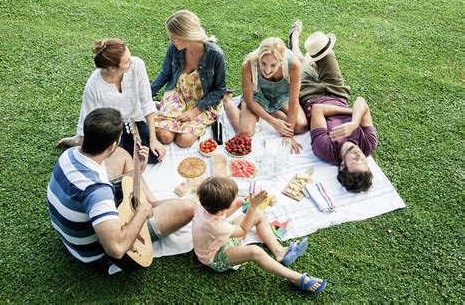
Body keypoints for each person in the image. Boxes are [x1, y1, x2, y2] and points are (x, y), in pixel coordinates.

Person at [48, 108, 195, 272]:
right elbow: (116, 249)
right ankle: (151, 204)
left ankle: (151, 202)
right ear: (112, 145)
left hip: (74, 237)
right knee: (187, 208)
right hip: (98, 254)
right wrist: (142, 212)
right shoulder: (98, 192)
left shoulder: (69, 155)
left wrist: (137, 171)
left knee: (123, 155)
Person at [192, 177, 326, 294]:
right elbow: (243, 230)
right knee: (255, 252)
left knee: (257, 216)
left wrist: (238, 205)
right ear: (221, 209)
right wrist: (252, 207)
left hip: (218, 240)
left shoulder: (203, 205)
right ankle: (296, 278)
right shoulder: (216, 227)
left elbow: (221, 215)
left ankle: (280, 252)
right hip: (215, 257)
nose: (234, 201)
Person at [288, 21, 378, 192]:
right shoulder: (368, 145)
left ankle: (294, 40)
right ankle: (313, 61)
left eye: (355, 161)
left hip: (310, 95)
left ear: (343, 166)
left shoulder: (325, 150)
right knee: (323, 48)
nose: (360, 155)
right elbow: (361, 101)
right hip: (337, 92)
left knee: (298, 61)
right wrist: (354, 121)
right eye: (364, 161)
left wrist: (354, 114)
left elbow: (318, 110)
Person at [56, 38, 166, 163]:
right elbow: (89, 120)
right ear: (113, 68)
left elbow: (146, 102)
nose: (131, 62)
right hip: (112, 127)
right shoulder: (93, 85)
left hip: (135, 119)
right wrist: (85, 139)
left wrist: (153, 140)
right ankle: (76, 140)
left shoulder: (137, 65)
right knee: (116, 163)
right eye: (127, 62)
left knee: (152, 157)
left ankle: (131, 144)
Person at [151, 10, 226, 148]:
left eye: (174, 37)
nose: (171, 41)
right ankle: (161, 105)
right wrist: (147, 94)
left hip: (201, 101)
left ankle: (160, 107)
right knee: (165, 136)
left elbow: (220, 89)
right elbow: (165, 74)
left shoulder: (215, 55)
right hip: (177, 94)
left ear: (187, 35)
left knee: (183, 140)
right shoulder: (174, 49)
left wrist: (195, 111)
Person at [223, 37, 308, 153]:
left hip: (281, 96)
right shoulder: (248, 64)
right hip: (257, 96)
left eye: (273, 65)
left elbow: (293, 101)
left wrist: (288, 135)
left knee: (301, 126)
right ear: (259, 57)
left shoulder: (293, 64)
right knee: (245, 132)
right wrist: (273, 121)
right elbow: (249, 100)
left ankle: (267, 110)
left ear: (281, 61)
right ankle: (227, 101)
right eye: (263, 63)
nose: (267, 70)